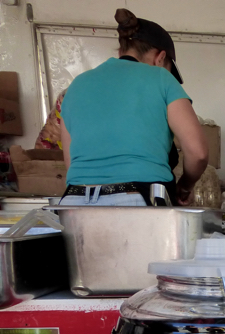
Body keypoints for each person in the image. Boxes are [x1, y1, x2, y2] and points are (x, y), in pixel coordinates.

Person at [59, 8, 208, 206]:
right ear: (160, 58)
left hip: (75, 201)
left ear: (121, 51)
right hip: (139, 199)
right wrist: (186, 186)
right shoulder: (161, 78)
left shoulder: (76, 86)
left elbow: (72, 163)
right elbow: (198, 153)